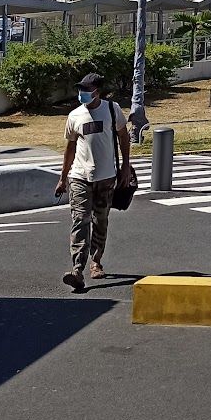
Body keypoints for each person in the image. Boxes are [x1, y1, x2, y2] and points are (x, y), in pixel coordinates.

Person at [54, 72, 131, 292]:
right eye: (80, 89)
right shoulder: (74, 116)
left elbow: (123, 137)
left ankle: (96, 261)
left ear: (97, 91)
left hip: (106, 177)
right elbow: (70, 147)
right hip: (79, 176)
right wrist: (63, 178)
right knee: (80, 220)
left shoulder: (112, 110)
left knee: (101, 220)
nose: (82, 93)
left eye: (86, 90)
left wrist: (126, 166)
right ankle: (77, 270)